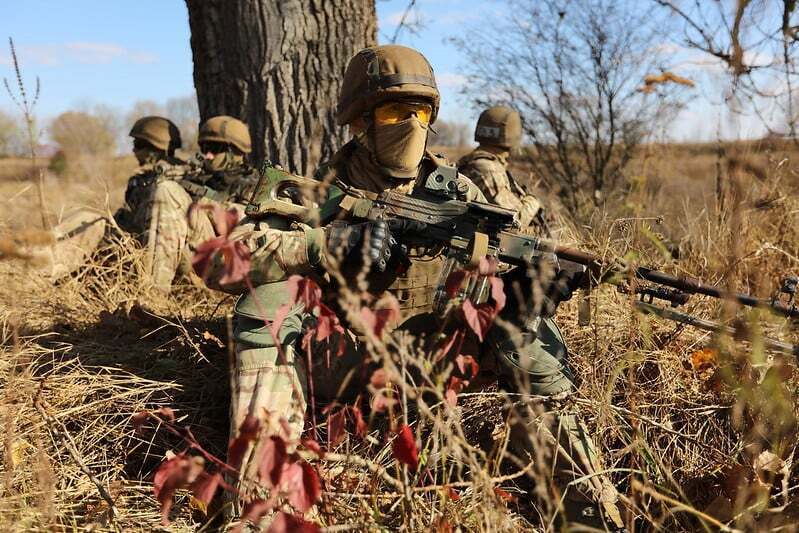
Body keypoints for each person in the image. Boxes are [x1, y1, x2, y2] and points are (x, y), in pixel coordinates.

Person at [204, 45, 623, 530]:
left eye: (421, 111)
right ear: (360, 119)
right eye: (393, 110)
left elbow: (491, 270)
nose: (411, 123)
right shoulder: (315, 192)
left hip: (433, 360)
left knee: (524, 325)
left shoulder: (458, 194)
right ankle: (269, 507)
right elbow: (222, 263)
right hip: (343, 366)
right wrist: (326, 244)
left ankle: (589, 510)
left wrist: (525, 293)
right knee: (268, 305)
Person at [23, 115, 258, 291]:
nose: (206, 155)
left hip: (211, 267)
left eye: (215, 149)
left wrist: (205, 204)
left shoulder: (251, 185)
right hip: (164, 257)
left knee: (166, 191)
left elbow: (245, 230)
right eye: (205, 148)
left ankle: (152, 299)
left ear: (236, 152)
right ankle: (31, 274)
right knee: (90, 218)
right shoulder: (190, 175)